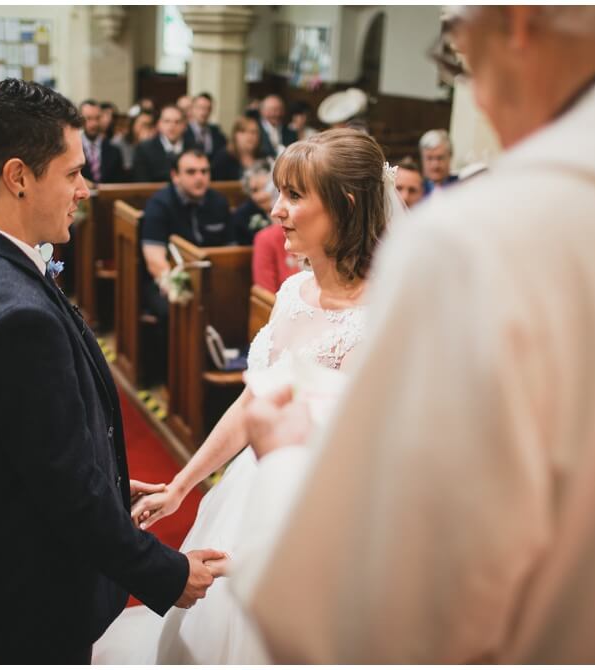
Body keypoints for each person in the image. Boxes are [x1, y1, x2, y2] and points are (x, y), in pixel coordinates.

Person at [234, 6, 595, 664]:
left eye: (458, 51)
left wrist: (286, 463)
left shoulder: (482, 247)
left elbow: (360, 632)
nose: (473, 87)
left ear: (520, 22)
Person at [0, 79, 226, 664]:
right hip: (35, 590)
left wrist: (114, 481)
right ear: (19, 176)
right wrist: (165, 572)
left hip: (5, 562)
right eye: (71, 173)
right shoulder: (14, 313)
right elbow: (63, 489)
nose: (85, 189)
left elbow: (33, 440)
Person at [93, 129, 404, 664]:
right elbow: (252, 404)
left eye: (296, 195)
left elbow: (361, 469)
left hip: (320, 523)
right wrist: (182, 486)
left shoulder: (383, 316)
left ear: (346, 204)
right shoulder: (291, 293)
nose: (276, 210)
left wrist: (264, 554)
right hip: (249, 492)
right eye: (279, 192)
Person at [139, 148, 233, 320]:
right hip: (169, 281)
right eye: (191, 172)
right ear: (175, 176)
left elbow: (231, 250)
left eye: (204, 171)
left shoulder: (219, 202)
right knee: (176, 310)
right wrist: (180, 289)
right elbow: (155, 262)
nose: (200, 177)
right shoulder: (158, 204)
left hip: (211, 279)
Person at [132, 105, 188, 182]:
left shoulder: (194, 148)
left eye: (177, 122)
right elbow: (141, 183)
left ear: (184, 125)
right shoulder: (144, 149)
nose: (172, 126)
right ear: (159, 124)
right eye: (167, 121)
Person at [230, 159, 276, 245]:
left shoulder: (288, 209)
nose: (261, 196)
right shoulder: (242, 215)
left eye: (265, 188)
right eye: (255, 190)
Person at [78, 99, 124, 184]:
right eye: (89, 118)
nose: (94, 123)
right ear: (80, 119)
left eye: (97, 118)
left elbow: (119, 184)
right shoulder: (72, 149)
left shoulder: (114, 151)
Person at [211, 116, 264, 182]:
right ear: (235, 135)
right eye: (244, 131)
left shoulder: (264, 158)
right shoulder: (222, 159)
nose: (250, 136)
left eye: (254, 132)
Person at [183, 93, 227, 158]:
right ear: (192, 109)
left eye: (208, 108)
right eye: (200, 107)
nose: (204, 112)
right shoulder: (183, 131)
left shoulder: (216, 132)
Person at [114, 109, 155, 176]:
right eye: (144, 125)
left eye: (149, 126)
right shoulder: (119, 142)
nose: (146, 129)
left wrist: (147, 145)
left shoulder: (153, 143)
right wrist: (142, 146)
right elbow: (128, 167)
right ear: (133, 124)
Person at [419, 128, 458, 195]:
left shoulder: (461, 187)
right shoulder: (416, 189)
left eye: (440, 158)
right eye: (429, 158)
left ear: (450, 157)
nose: (435, 165)